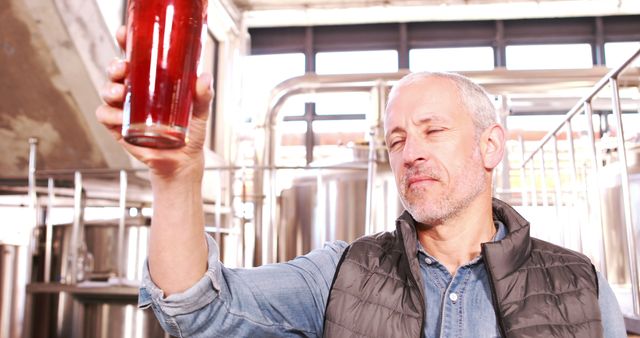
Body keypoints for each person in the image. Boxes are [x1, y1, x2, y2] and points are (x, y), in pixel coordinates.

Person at [96, 26, 627, 338]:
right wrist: (176, 176)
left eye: (433, 130)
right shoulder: (340, 274)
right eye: (395, 141)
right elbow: (196, 310)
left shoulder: (579, 284)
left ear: (490, 146)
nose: (410, 152)